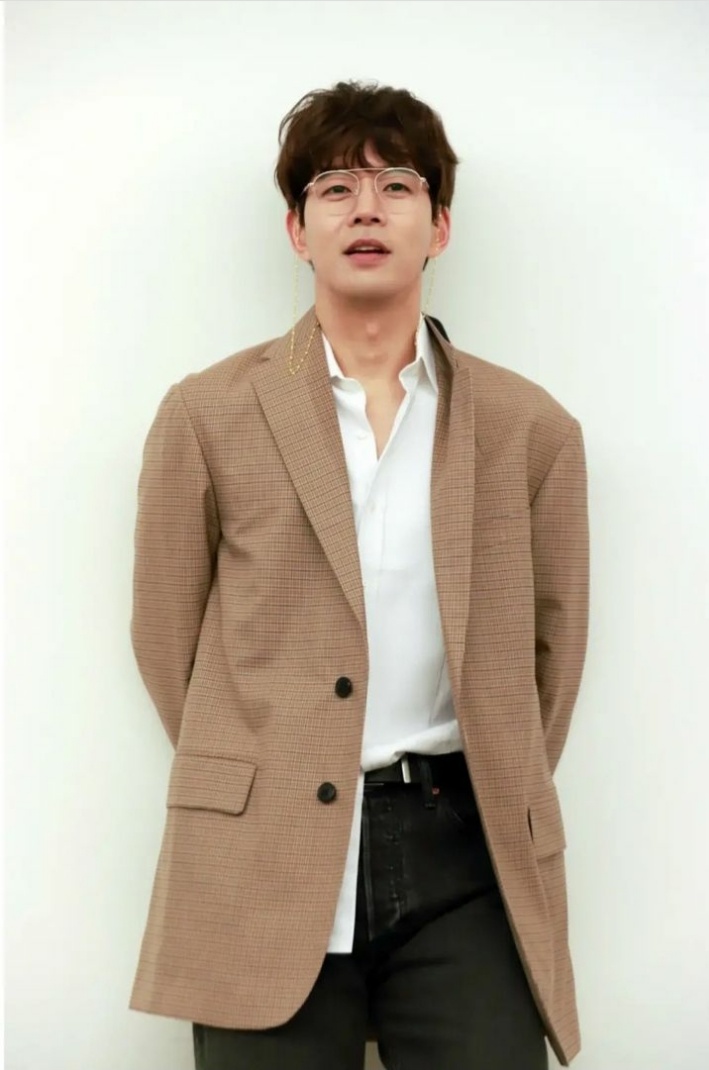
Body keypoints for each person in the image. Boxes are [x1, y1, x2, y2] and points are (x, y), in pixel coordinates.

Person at [129, 80, 590, 1070]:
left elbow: (553, 651)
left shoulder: (532, 430)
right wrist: (268, 761)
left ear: (440, 226)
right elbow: (167, 637)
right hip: (260, 851)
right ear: (298, 230)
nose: (367, 208)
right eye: (335, 188)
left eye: (397, 186)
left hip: (465, 851)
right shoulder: (206, 414)